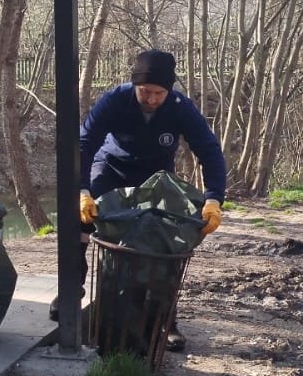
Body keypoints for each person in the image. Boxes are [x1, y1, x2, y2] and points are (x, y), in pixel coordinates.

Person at [62, 49, 227, 351]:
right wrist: (82, 190)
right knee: (80, 221)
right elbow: (84, 144)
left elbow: (210, 152)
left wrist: (214, 198)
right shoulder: (114, 100)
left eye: (158, 93)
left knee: (164, 236)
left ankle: (167, 320)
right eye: (145, 91)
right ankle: (70, 293)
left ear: (169, 89)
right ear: (134, 85)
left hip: (155, 176)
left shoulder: (181, 108)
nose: (151, 98)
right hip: (111, 167)